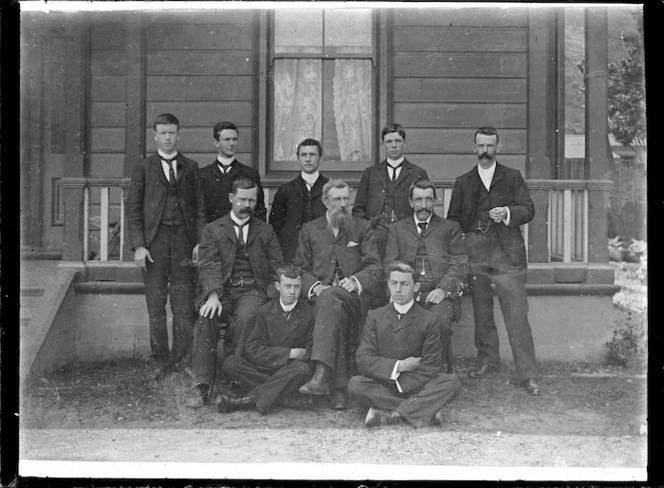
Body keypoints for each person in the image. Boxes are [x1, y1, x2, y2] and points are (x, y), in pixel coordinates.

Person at [447, 126, 540, 395]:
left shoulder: (512, 177)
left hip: (507, 253)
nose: (485, 151)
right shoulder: (463, 181)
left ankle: (527, 372)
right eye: (481, 146)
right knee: (482, 311)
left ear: (498, 147)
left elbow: (528, 209)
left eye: (490, 146)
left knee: (516, 314)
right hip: (476, 252)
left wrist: (509, 212)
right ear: (473, 148)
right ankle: (488, 360)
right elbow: (453, 219)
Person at [186, 178, 283, 407]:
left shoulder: (265, 230)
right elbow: (208, 264)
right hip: (222, 290)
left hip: (252, 290)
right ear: (231, 198)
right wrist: (212, 295)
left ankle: (236, 378)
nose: (247, 204)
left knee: (248, 316)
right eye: (242, 199)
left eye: (251, 200)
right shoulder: (213, 229)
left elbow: (276, 266)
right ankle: (201, 385)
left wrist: (269, 296)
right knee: (207, 316)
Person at [126, 113, 205, 376]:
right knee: (156, 305)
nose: (168, 138)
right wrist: (138, 245)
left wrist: (199, 242)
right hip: (154, 244)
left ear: (178, 134)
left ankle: (183, 361)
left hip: (184, 242)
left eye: (172, 133)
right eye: (163, 133)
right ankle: (160, 361)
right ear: (155, 136)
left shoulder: (191, 167)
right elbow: (134, 208)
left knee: (183, 305)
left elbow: (200, 208)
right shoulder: (144, 168)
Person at [294, 179, 382, 410]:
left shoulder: (361, 227)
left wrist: (356, 280)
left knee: (332, 300)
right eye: (337, 200)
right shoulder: (310, 229)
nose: (343, 205)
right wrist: (315, 287)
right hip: (322, 298)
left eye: (346, 199)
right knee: (332, 307)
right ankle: (339, 391)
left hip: (353, 298)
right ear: (325, 201)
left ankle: (322, 374)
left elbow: (375, 267)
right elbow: (301, 269)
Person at [347, 262, 461, 428]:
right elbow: (364, 359)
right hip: (384, 383)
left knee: (451, 383)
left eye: (405, 284)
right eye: (394, 283)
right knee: (355, 384)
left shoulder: (429, 319)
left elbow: (431, 366)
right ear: (388, 285)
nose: (398, 289)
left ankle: (391, 415)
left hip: (417, 386)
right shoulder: (376, 316)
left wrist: (404, 383)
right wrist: (400, 366)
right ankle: (423, 411)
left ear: (416, 287)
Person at [384, 179, 468, 362]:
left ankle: (434, 372)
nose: (424, 206)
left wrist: (443, 289)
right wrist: (398, 292)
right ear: (410, 202)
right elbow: (390, 265)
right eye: (419, 200)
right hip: (406, 294)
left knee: (440, 323)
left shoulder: (450, 228)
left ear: (435, 201)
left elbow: (460, 265)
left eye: (428, 200)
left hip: (438, 296)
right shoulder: (397, 229)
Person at [217, 265, 315, 414]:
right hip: (268, 371)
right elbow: (253, 349)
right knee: (230, 363)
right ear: (278, 286)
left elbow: (308, 354)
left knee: (302, 369)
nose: (292, 292)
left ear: (301, 286)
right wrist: (289, 353)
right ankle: (284, 398)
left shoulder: (309, 313)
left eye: (297, 287)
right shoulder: (265, 310)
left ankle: (245, 401)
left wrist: (281, 357)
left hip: (288, 372)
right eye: (287, 286)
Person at [352, 123, 429, 260]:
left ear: (404, 143)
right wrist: (367, 231)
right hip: (375, 237)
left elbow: (424, 207)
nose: (393, 145)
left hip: (407, 236)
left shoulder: (418, 173)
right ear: (383, 144)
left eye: (398, 141)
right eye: (389, 142)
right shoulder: (371, 173)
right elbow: (358, 209)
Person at [269, 138, 329, 263]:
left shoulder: (330, 188)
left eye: (312, 154)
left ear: (320, 158)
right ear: (298, 158)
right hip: (293, 253)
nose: (307, 159)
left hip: (324, 251)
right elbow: (275, 225)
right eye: (303, 155)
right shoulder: (286, 190)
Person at [198, 121, 267, 223]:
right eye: (227, 140)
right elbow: (199, 212)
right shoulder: (203, 175)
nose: (232, 144)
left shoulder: (250, 174)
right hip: (213, 235)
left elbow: (259, 210)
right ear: (216, 143)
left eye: (234, 139)